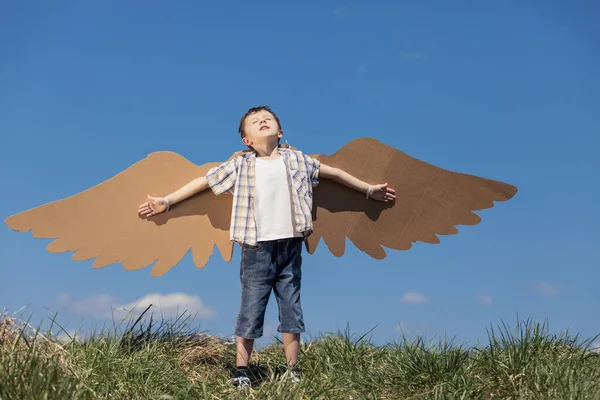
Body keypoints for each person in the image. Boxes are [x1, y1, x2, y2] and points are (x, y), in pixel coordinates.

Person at [138, 105, 396, 387]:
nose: (262, 121)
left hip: (291, 244)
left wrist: (368, 190)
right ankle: (241, 371)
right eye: (254, 121)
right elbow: (205, 181)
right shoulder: (240, 165)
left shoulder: (297, 159)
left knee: (291, 307)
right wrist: (167, 201)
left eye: (268, 119)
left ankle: (292, 370)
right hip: (256, 247)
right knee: (251, 308)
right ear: (246, 140)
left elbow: (334, 173)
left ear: (280, 131)